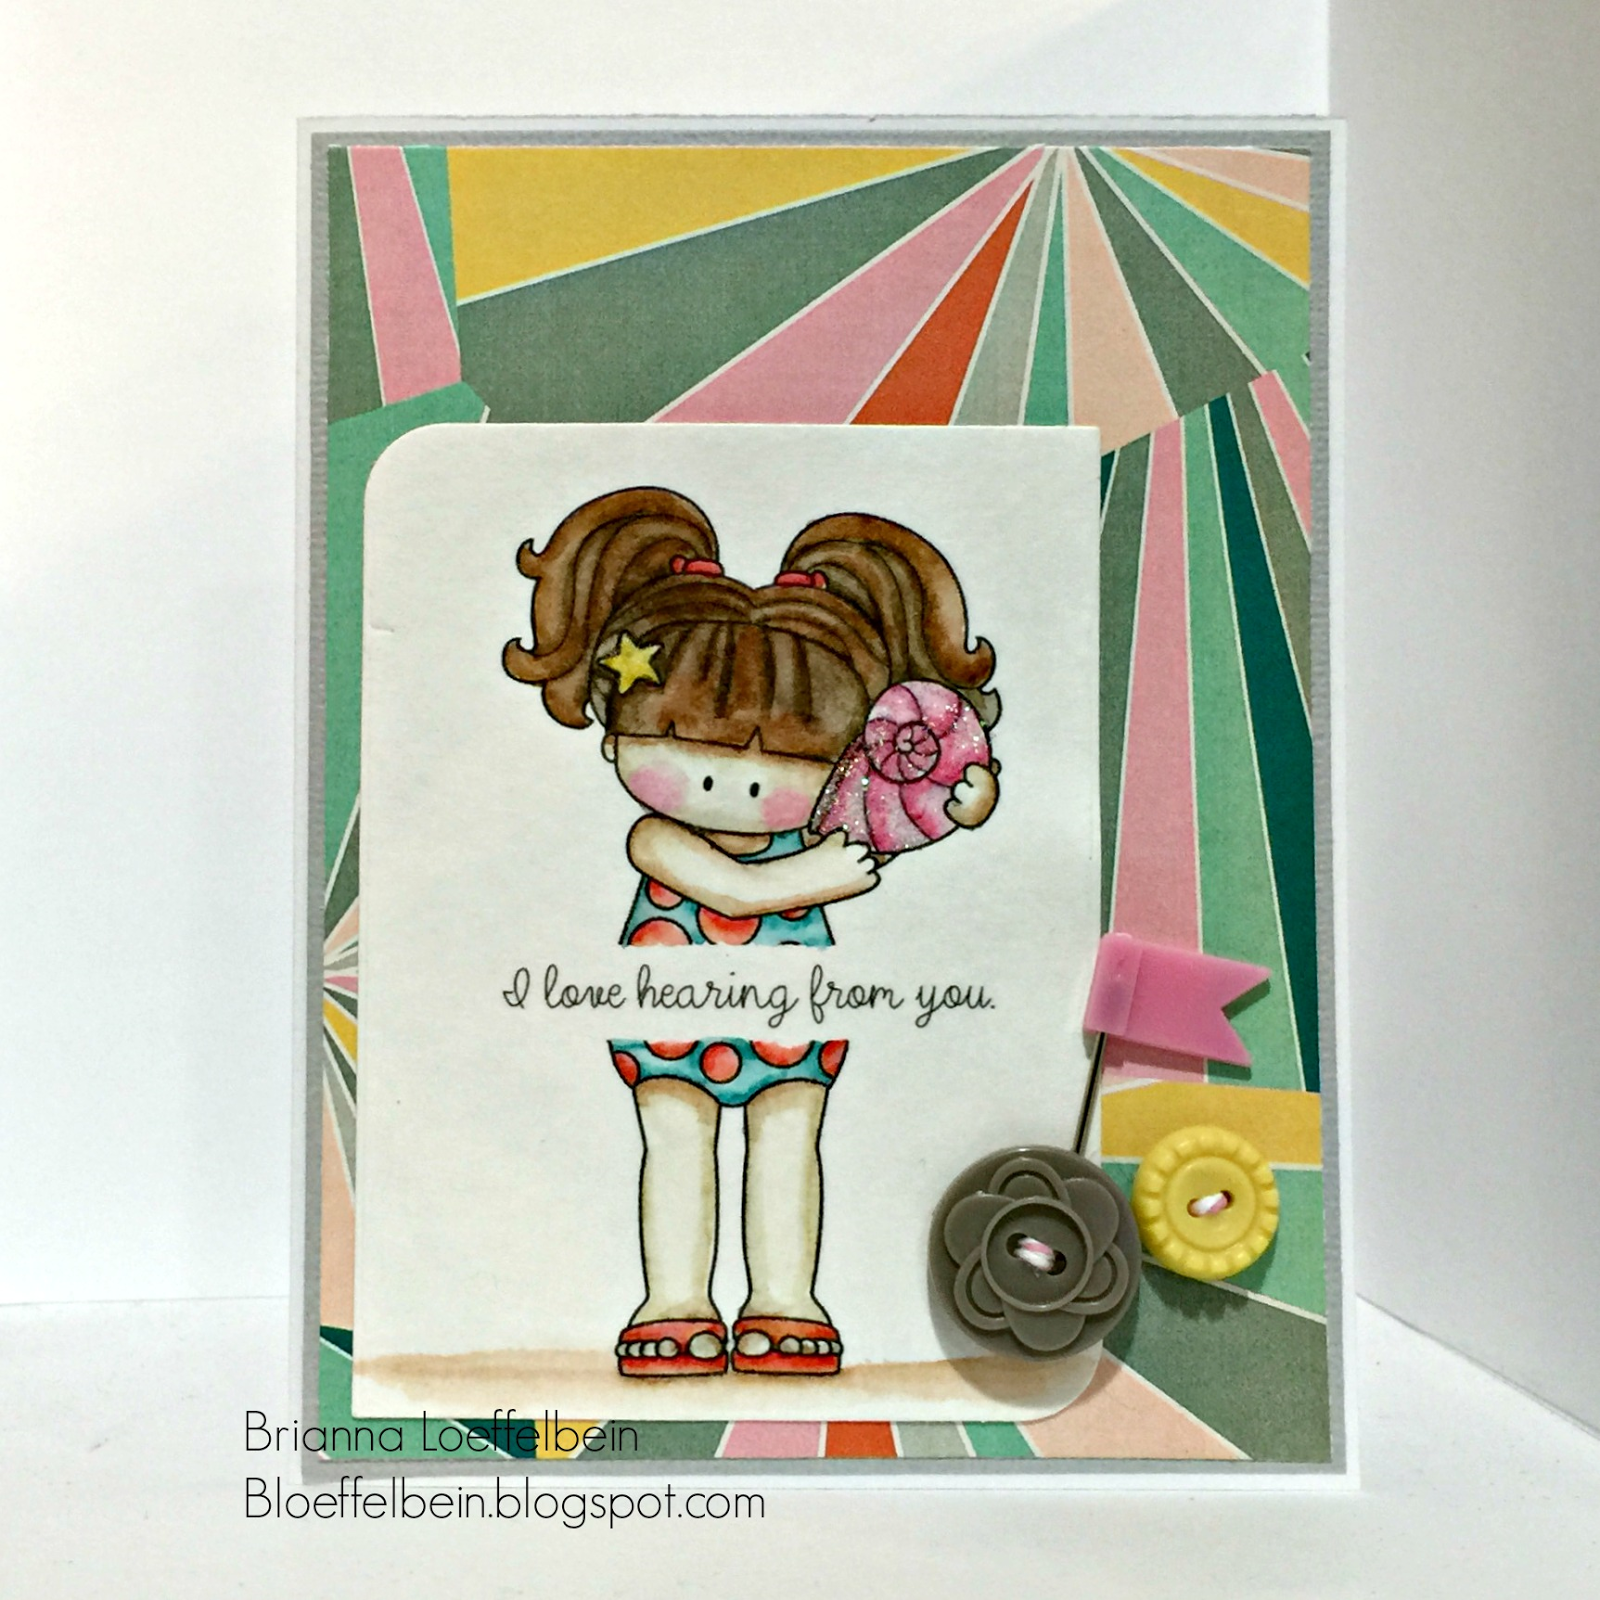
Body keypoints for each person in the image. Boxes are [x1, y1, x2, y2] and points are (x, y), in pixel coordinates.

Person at [504, 488, 1000, 1377]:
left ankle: (784, 1299)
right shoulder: (659, 840)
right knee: (676, 1140)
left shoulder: (823, 831)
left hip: (789, 1018)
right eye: (685, 750)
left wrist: (959, 799)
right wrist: (812, 879)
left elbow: (895, 824)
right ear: (617, 738)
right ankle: (674, 1303)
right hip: (672, 1016)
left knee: (788, 1139)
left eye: (792, 760)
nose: (735, 786)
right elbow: (733, 887)